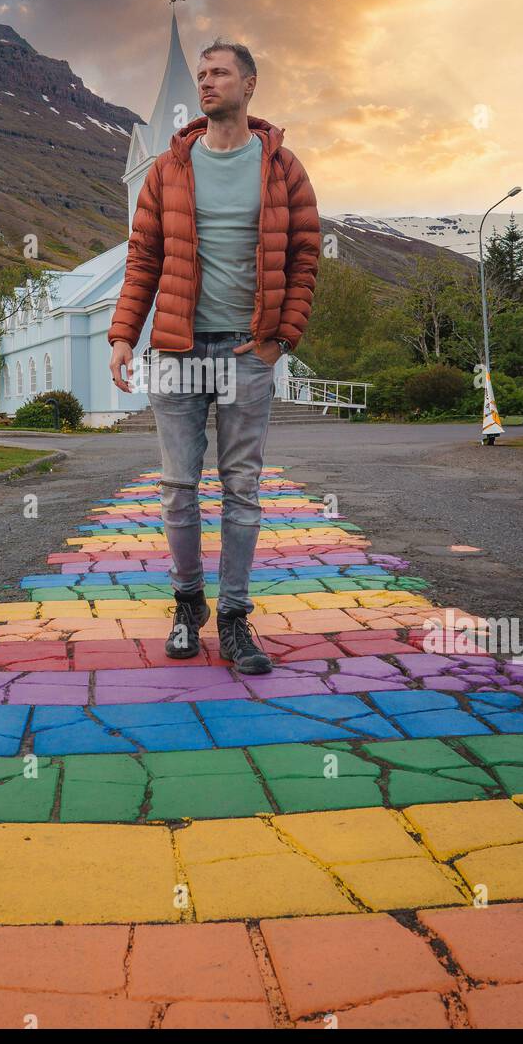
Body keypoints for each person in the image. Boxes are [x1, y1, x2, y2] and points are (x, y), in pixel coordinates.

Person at [109, 39, 320, 674]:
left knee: (242, 486)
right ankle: (187, 605)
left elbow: (304, 256)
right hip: (176, 348)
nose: (206, 82)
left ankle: (233, 617)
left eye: (219, 73)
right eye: (201, 74)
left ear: (249, 85)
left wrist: (282, 339)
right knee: (177, 486)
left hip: (247, 349)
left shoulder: (283, 168)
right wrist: (124, 334)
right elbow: (144, 256)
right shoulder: (168, 169)